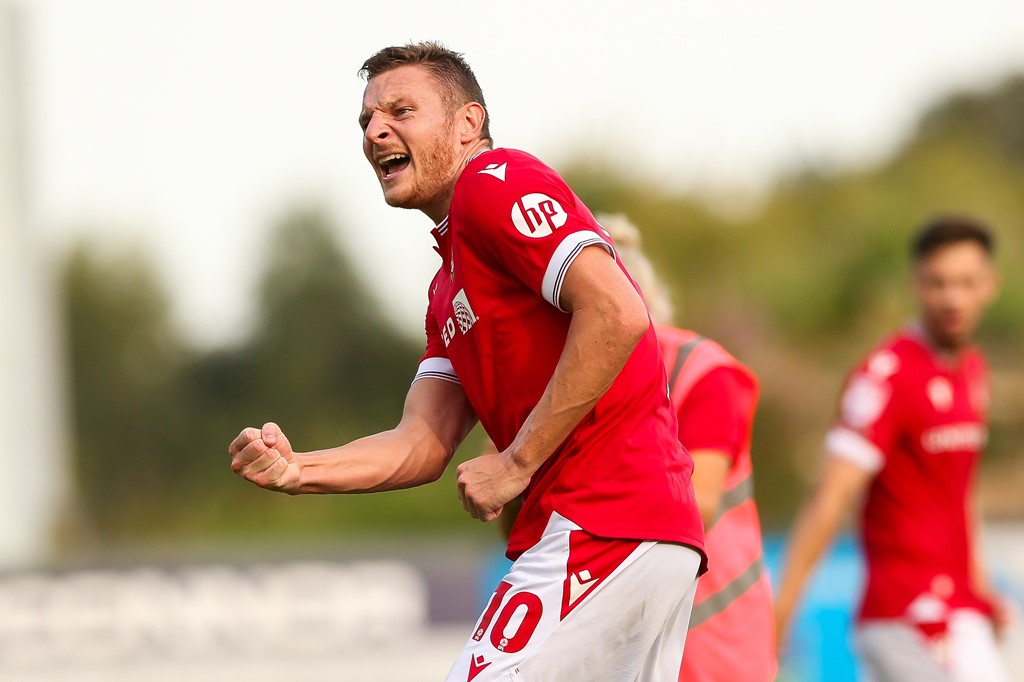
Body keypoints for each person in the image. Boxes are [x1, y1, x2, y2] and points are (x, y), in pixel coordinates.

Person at [228, 42, 706, 681]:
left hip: (602, 519)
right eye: (366, 121)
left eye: (401, 110)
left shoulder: (491, 183)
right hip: (642, 530)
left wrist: (517, 462)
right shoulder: (445, 287)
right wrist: (297, 470)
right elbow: (422, 443)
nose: (376, 132)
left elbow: (618, 312)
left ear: (467, 125)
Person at [494, 214, 778, 681]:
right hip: (599, 624)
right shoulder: (555, 393)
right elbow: (518, 530)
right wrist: (513, 461)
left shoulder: (701, 370)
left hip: (710, 637)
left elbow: (697, 507)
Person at [774, 216, 1011, 681]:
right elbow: (832, 496)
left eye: (966, 283)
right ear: (916, 284)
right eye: (938, 283)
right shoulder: (886, 376)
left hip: (959, 608)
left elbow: (959, 490)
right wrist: (782, 612)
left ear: (990, 286)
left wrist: (981, 587)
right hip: (906, 612)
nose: (952, 298)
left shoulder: (972, 371)